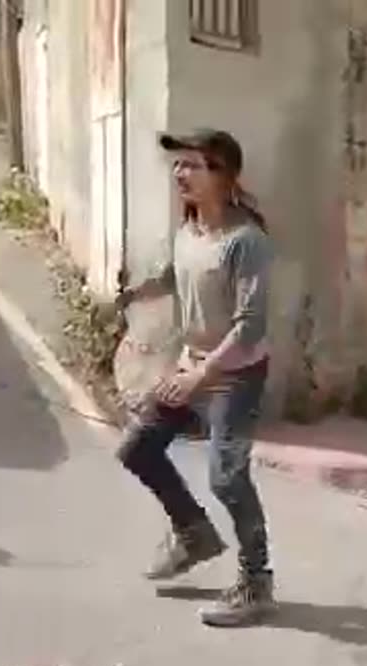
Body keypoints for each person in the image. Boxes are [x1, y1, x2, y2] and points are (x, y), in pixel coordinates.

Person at [115, 129, 275, 628]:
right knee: (138, 447)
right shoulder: (189, 230)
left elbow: (251, 325)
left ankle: (256, 582)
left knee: (227, 477)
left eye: (194, 165)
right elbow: (176, 273)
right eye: (178, 165)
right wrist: (138, 291)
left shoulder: (246, 242)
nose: (180, 174)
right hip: (193, 363)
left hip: (236, 373)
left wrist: (199, 375)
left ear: (225, 176)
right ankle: (192, 533)